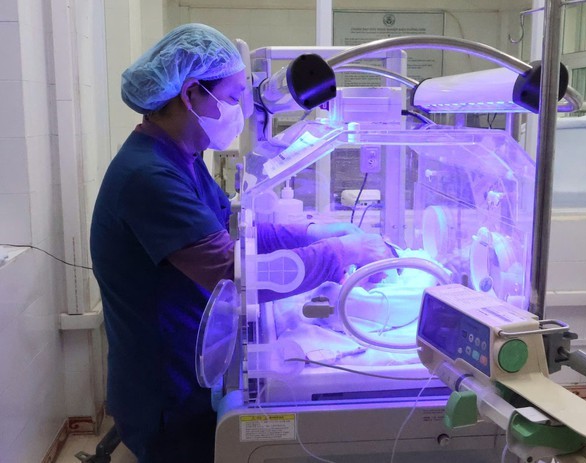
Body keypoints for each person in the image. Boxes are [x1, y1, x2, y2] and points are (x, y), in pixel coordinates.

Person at [90, 23, 392, 463]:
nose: (240, 111)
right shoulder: (149, 176)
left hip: (188, 365)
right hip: (166, 389)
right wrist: (339, 255)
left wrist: (314, 233)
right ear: (191, 94)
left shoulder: (181, 159)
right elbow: (237, 272)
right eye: (233, 98)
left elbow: (234, 230)